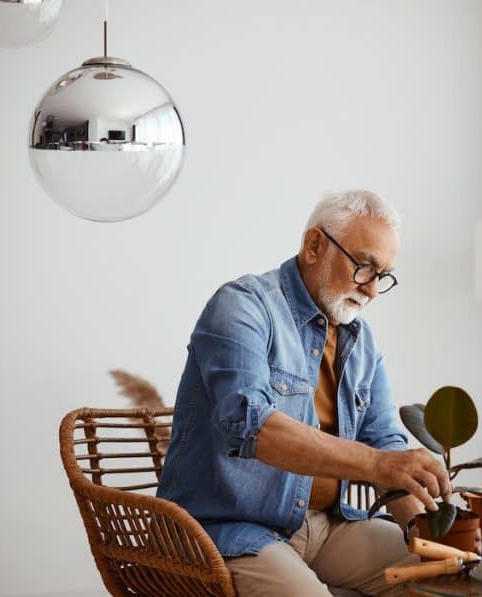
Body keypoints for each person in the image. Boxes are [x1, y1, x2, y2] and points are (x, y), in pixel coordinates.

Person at [157, 190, 451, 596]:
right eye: (364, 267)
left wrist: (428, 533)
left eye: (383, 276)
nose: (371, 291)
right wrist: (380, 465)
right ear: (315, 245)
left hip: (327, 527)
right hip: (232, 530)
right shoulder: (242, 307)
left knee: (445, 577)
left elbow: (386, 443)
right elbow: (252, 428)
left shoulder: (359, 341)